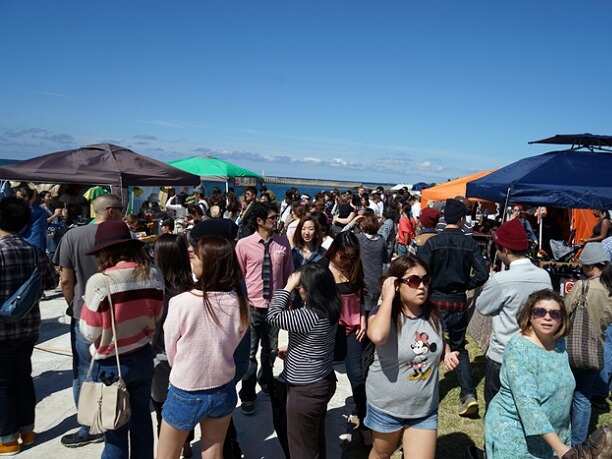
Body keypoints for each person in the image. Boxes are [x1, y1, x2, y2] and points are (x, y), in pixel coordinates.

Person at [157, 236, 249, 459]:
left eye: (196, 256)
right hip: (223, 388)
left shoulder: (181, 303)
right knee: (214, 451)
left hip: (186, 389)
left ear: (207, 263)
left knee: (166, 454)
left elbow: (171, 349)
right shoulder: (239, 302)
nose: (192, 259)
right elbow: (237, 339)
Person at [80, 220, 164, 458]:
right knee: (141, 422)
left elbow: (88, 332)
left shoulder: (100, 282)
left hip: (111, 365)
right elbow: (157, 315)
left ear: (104, 252)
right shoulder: (153, 274)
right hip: (143, 355)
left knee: (114, 428)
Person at [365, 256, 459, 459]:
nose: (422, 286)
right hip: (386, 406)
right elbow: (378, 336)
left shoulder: (434, 314)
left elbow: (438, 342)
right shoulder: (382, 314)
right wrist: (387, 298)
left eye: (425, 280)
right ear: (397, 284)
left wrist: (447, 353)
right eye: (414, 281)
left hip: (423, 408)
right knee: (382, 454)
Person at [53, 194, 124, 448]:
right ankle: (112, 417)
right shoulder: (122, 234)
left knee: (83, 372)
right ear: (111, 211)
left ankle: (88, 427)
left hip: (84, 314)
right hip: (118, 314)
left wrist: (73, 305)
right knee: (115, 369)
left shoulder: (72, 236)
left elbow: (65, 279)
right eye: (121, 210)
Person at [484, 290, 574, 459]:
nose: (547, 317)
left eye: (555, 313)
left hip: (553, 436)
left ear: (561, 319)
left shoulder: (559, 345)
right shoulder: (519, 348)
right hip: (515, 436)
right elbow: (527, 404)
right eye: (540, 312)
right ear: (530, 316)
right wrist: (560, 447)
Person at [419, 198, 489, 416]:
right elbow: (483, 274)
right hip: (458, 301)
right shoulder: (470, 244)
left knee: (428, 345)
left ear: (444, 218)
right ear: (462, 219)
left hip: (435, 301)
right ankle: (468, 394)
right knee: (459, 348)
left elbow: (421, 272)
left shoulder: (432, 243)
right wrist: (466, 285)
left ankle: (424, 395)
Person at [266, 263, 342, 458]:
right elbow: (314, 341)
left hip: (305, 390)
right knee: (314, 440)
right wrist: (292, 350)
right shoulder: (332, 306)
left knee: (301, 449)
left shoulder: (309, 315)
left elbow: (273, 316)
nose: (299, 289)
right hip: (322, 380)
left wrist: (287, 287)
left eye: (301, 286)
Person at [0, 197, 57, 456]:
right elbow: (50, 283)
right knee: (23, 378)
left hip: (2, 331)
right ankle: (28, 431)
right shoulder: (35, 252)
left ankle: (7, 440)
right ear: (25, 224)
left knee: (2, 384)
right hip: (28, 328)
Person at [475, 219, 552, 407]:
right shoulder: (544, 276)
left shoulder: (502, 279)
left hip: (503, 354)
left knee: (496, 410)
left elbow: (482, 307)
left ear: (506, 250)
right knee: (526, 407)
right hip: (534, 352)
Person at [236, 202, 294, 415]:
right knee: (249, 353)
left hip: (275, 308)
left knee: (270, 350)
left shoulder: (283, 243)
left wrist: (289, 297)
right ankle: (248, 394)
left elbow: (289, 273)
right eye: (272, 217)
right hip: (251, 307)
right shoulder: (243, 244)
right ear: (259, 221)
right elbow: (239, 276)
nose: (276, 220)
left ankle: (267, 382)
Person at [151, 234, 195, 458]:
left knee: (163, 411)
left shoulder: (158, 292)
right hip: (188, 361)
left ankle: (170, 450)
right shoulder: (192, 287)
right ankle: (186, 444)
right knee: (185, 409)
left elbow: (154, 331)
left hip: (161, 360)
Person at [323, 231, 370, 443]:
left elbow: (360, 295)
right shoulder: (322, 270)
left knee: (357, 375)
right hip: (329, 330)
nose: (347, 260)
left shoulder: (354, 267)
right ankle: (317, 412)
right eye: (344, 256)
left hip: (353, 328)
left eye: (352, 256)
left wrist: (363, 319)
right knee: (323, 374)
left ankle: (366, 421)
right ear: (335, 251)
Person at [564, 242, 612, 446]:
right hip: (595, 349)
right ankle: (578, 442)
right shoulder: (609, 289)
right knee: (584, 397)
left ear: (590, 266)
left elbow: (565, 311)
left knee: (566, 394)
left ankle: (562, 435)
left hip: (574, 349)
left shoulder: (582, 286)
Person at [343, 213, 388, 314]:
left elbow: (341, 235)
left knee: (360, 311)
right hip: (376, 281)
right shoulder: (381, 240)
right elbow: (386, 260)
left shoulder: (359, 238)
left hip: (361, 280)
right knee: (372, 310)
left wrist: (352, 222)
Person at [15, 186, 47, 251]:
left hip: (27, 242)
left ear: (26, 198)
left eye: (18, 197)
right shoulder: (40, 209)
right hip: (39, 242)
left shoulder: (26, 211)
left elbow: (20, 229)